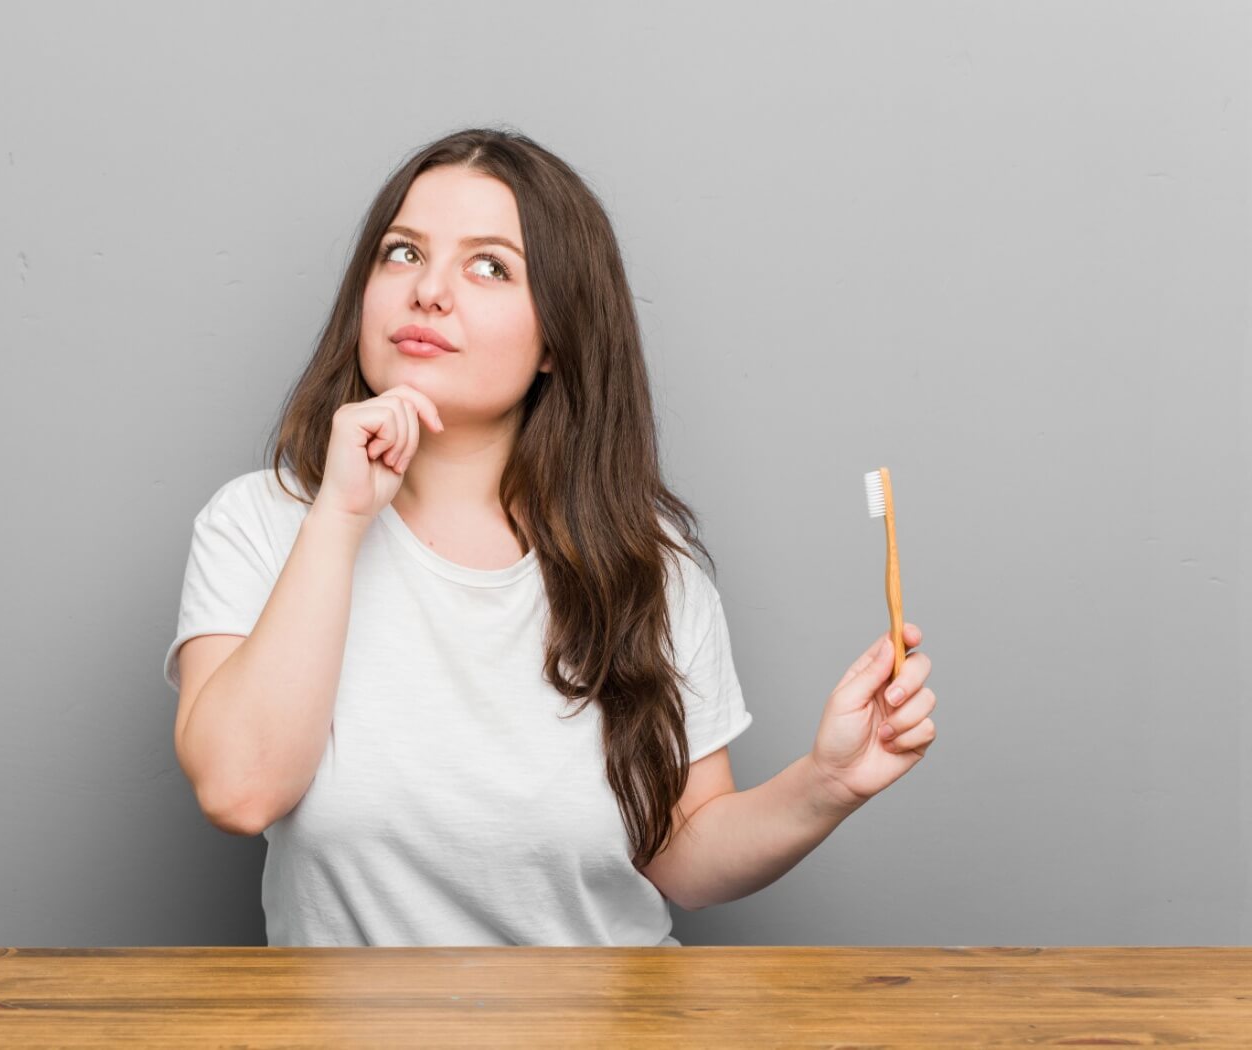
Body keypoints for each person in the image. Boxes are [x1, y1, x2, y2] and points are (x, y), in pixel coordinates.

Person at [165, 126, 937, 946]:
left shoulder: (650, 566)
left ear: (555, 344)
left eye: (490, 265)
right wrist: (341, 517)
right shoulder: (259, 523)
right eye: (401, 253)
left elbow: (679, 852)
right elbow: (239, 790)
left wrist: (827, 785)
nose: (428, 291)